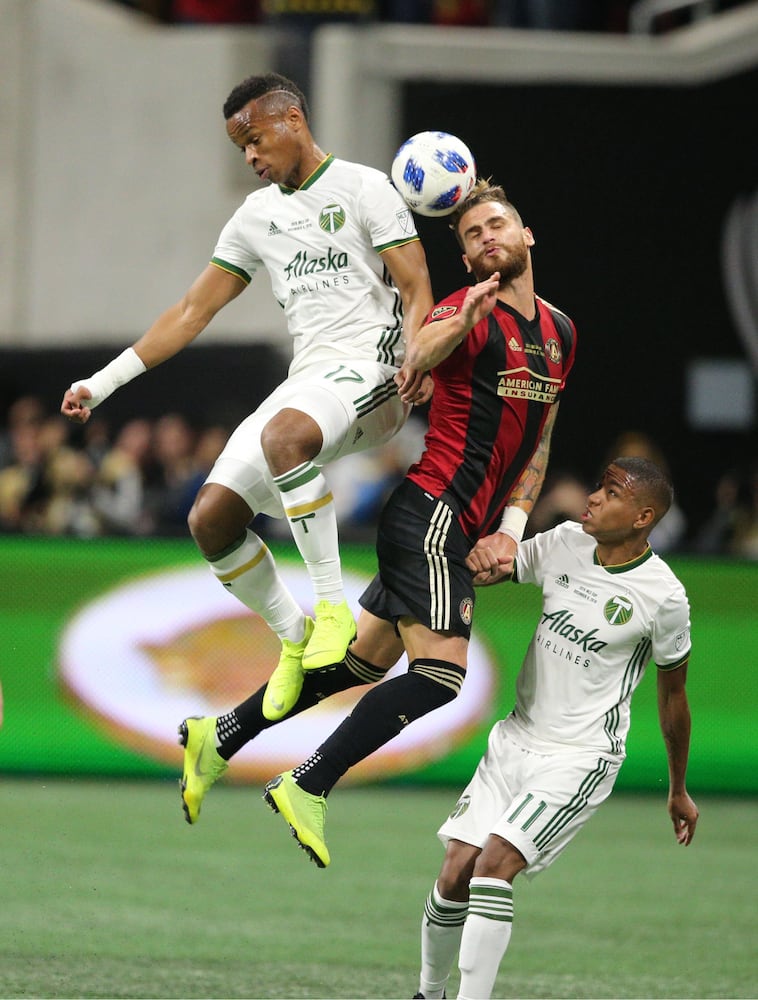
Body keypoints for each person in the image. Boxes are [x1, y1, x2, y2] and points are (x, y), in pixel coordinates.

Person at [59, 72, 434, 804]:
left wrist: (416, 355)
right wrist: (100, 385)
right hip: (310, 381)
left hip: (376, 375)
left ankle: (331, 609)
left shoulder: (364, 189)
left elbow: (417, 287)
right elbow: (191, 310)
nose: (250, 158)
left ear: (293, 119)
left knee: (286, 439)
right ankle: (296, 638)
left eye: (254, 139)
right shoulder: (256, 218)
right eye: (240, 148)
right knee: (212, 518)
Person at [253, 179, 578, 867]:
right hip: (431, 511)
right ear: (465, 259)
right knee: (441, 677)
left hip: (462, 529)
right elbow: (418, 357)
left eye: (498, 226)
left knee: (356, 666)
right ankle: (307, 783)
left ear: (527, 237)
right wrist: (462, 319)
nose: (487, 237)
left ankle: (224, 730)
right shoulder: (468, 305)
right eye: (471, 235)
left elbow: (540, 442)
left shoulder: (560, 332)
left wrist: (511, 531)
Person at [413, 456, 698, 1000]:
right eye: (598, 486)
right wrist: (462, 557)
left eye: (609, 492)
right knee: (455, 869)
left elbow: (674, 695)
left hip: (580, 755)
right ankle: (427, 994)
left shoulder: (664, 596)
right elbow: (498, 566)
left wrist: (678, 787)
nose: (592, 497)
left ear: (642, 517)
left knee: (493, 866)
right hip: (515, 738)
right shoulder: (566, 541)